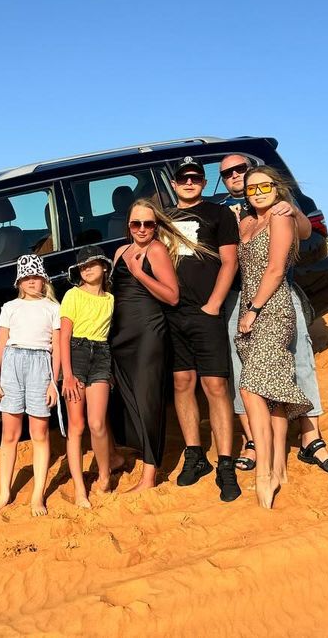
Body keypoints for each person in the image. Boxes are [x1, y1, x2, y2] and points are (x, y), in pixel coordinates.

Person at [218, 154, 328, 477]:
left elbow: (305, 231)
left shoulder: (277, 201)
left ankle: (311, 437)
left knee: (300, 360)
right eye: (227, 172)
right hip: (237, 296)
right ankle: (252, 440)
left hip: (278, 295)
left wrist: (293, 210)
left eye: (240, 169)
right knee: (241, 369)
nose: (235, 175)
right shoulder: (225, 209)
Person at [235, 166, 314, 508]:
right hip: (249, 308)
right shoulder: (245, 222)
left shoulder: (281, 216)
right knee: (274, 390)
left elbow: (276, 269)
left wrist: (253, 310)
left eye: (264, 186)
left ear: (276, 187)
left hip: (271, 309)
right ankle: (280, 466)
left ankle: (264, 473)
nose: (258, 193)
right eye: (252, 189)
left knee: (251, 388)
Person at [165, 157, 242, 503]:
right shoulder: (163, 218)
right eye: (184, 178)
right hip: (173, 313)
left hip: (206, 311)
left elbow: (230, 261)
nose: (190, 182)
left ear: (202, 181)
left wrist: (214, 304)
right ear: (174, 183)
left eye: (196, 177)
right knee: (182, 382)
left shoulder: (219, 215)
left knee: (215, 384)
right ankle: (195, 454)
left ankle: (225, 461)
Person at [110, 198, 186, 492]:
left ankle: (149, 475)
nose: (142, 229)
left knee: (148, 398)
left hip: (147, 332)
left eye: (148, 224)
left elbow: (172, 296)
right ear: (128, 226)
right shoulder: (120, 251)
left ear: (156, 226)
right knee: (128, 397)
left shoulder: (156, 250)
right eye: (136, 223)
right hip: (120, 333)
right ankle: (137, 452)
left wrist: (140, 273)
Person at [0, 254, 62, 517]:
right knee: (10, 434)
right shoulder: (10, 307)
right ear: (19, 281)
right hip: (12, 364)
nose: (32, 281)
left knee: (39, 432)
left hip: (41, 365)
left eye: (36, 276)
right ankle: (4, 493)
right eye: (26, 277)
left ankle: (37, 495)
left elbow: (57, 350)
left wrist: (54, 382)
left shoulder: (53, 308)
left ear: (44, 280)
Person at [60, 246, 116, 508]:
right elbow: (64, 336)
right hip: (77, 353)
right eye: (83, 266)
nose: (87, 269)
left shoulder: (110, 299)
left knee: (97, 423)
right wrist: (67, 374)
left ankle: (105, 475)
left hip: (102, 353)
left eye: (92, 263)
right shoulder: (72, 295)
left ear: (104, 267)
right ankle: (80, 489)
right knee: (77, 425)